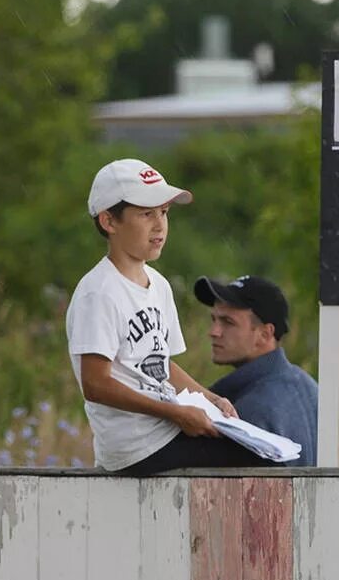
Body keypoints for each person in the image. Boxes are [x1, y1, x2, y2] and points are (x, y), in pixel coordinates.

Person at [65, 158, 270, 474]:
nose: (160, 225)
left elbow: (161, 365)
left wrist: (212, 399)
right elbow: (95, 383)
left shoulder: (158, 285)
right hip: (135, 447)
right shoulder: (99, 292)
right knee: (252, 461)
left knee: (263, 451)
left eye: (164, 212)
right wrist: (174, 414)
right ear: (109, 221)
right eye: (146, 214)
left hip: (164, 431)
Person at [194, 274, 318, 466]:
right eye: (214, 320)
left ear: (265, 334)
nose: (214, 331)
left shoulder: (248, 409)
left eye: (227, 322)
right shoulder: (308, 386)